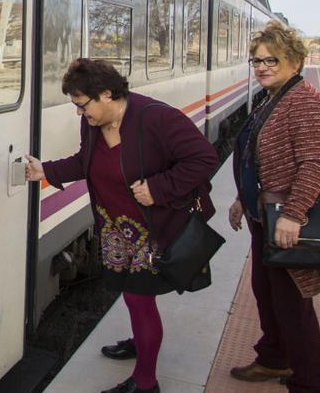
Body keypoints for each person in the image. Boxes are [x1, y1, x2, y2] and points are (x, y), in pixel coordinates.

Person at [24, 58, 218, 393]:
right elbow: (86, 161)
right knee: (132, 298)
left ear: (107, 94)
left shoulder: (157, 118)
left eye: (82, 104)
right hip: (116, 227)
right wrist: (46, 171)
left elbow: (203, 159)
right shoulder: (93, 123)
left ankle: (146, 383)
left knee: (141, 300)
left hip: (152, 230)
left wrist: (158, 188)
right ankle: (141, 342)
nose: (79, 113)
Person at [227, 22, 320, 393]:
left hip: (286, 221)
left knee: (293, 307)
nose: (262, 67)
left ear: (295, 60)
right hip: (265, 216)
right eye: (256, 60)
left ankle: (308, 383)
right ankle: (273, 358)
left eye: (271, 59)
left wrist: (294, 214)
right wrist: (241, 199)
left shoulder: (307, 101)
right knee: (268, 295)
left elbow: (316, 164)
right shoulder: (273, 97)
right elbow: (256, 156)